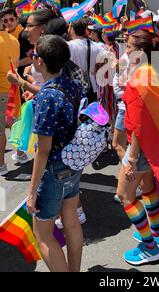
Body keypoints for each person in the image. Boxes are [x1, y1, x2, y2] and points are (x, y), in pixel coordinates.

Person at [26, 35, 83, 272]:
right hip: (74, 164)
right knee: (71, 223)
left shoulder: (47, 97)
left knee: (43, 234)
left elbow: (43, 150)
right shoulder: (72, 84)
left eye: (33, 55)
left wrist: (31, 192)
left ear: (40, 62)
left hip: (53, 170)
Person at [116, 30, 159, 265]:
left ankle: (149, 247)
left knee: (125, 196)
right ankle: (155, 233)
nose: (125, 51)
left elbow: (138, 125)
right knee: (147, 188)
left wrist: (132, 158)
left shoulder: (139, 79)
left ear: (141, 51)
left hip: (140, 147)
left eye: (128, 47)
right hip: (152, 145)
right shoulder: (152, 72)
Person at [0, 11, 20, 176]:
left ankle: (1, 165)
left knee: (1, 130)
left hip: (1, 89)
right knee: (14, 123)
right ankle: (21, 153)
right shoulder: (14, 40)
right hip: (13, 87)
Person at [68, 18, 106, 103]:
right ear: (85, 30)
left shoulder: (68, 46)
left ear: (72, 29)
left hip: (73, 88)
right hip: (92, 88)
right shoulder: (96, 46)